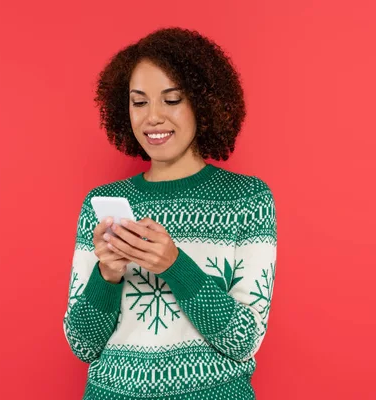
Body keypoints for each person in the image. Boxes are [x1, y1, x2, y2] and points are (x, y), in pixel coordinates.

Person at [63, 27, 277, 399]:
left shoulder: (247, 200)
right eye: (139, 102)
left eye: (172, 99)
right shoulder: (101, 206)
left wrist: (175, 265)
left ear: (203, 103)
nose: (153, 117)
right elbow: (83, 345)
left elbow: (245, 341)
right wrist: (107, 274)